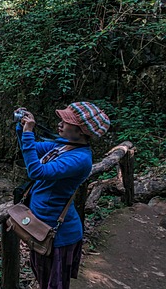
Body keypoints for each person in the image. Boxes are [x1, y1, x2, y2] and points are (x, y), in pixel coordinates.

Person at [15, 102, 110, 289]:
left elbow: (36, 171)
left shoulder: (80, 159)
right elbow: (30, 147)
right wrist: (21, 127)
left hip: (57, 235)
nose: (60, 124)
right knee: (43, 279)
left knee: (54, 284)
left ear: (81, 131)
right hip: (41, 226)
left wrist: (27, 133)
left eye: (66, 121)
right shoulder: (63, 145)